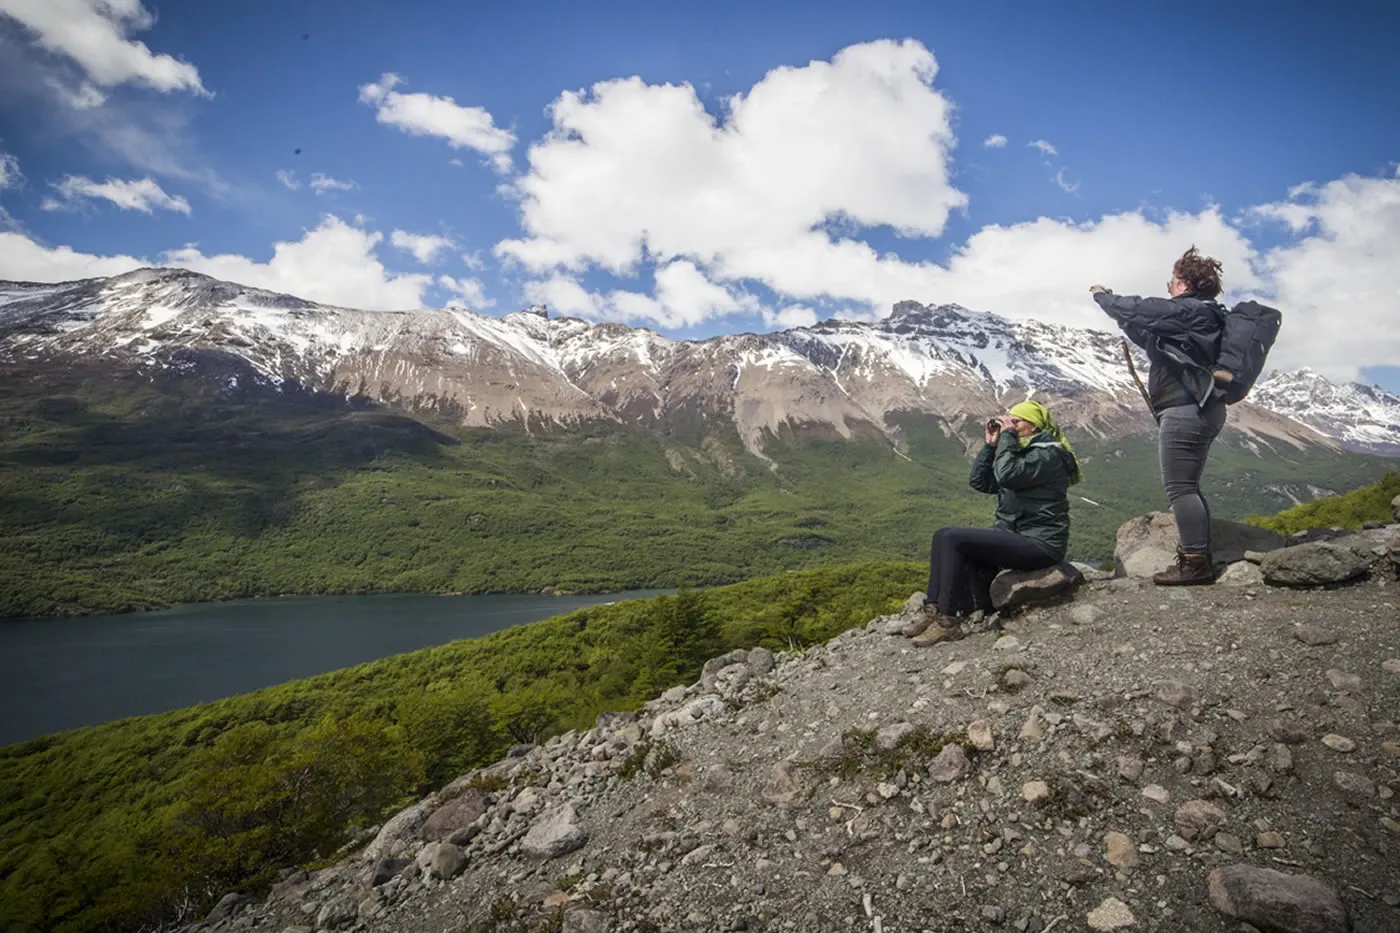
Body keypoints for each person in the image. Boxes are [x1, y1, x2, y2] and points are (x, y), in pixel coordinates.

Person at [1089, 246, 1227, 585]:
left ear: (1183, 283)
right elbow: (1147, 330)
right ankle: (1199, 555)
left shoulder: (1191, 310)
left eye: (1172, 280)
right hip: (1198, 408)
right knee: (1188, 485)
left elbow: (1143, 309)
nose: (1168, 286)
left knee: (1180, 487)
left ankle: (1194, 563)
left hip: (1184, 410)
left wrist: (1105, 298)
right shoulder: (1200, 316)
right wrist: (1124, 319)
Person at [904, 400, 1082, 647]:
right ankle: (934, 610)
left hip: (1040, 543)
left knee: (952, 538)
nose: (1010, 425)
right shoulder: (1022, 454)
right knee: (942, 534)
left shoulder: (1049, 455)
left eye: (1016, 421)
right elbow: (980, 481)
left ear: (1034, 426)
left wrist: (1007, 437)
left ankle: (948, 623)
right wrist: (990, 447)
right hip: (1017, 536)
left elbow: (1008, 474)